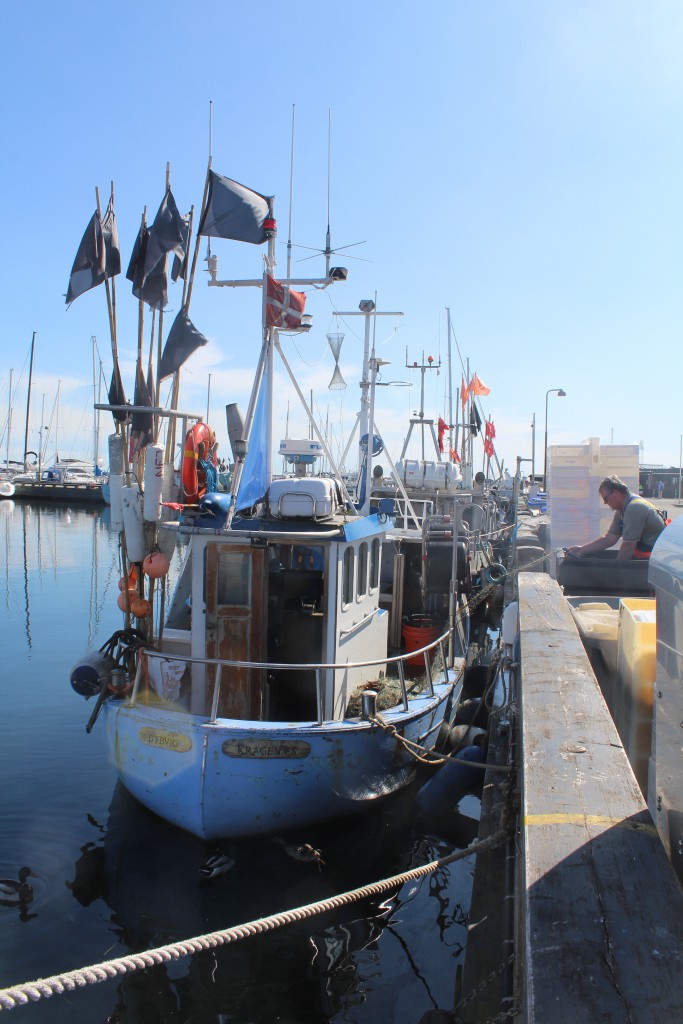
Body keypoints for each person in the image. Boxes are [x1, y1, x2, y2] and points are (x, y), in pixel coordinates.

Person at [566, 475, 667, 561]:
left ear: (615, 493)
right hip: (647, 558)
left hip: (656, 561)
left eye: (605, 499)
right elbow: (609, 538)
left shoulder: (634, 508)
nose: (605, 503)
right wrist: (581, 550)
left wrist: (616, 571)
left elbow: (628, 547)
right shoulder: (623, 509)